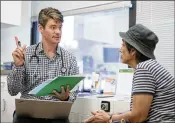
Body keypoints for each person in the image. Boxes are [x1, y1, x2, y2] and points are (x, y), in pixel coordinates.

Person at [85, 24, 175, 123]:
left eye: (123, 45)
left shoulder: (144, 68)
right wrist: (110, 117)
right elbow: (136, 112)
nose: (120, 49)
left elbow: (138, 117)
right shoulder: (149, 67)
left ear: (132, 51)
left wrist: (109, 120)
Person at [7, 7, 79, 123]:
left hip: (56, 116)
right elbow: (12, 90)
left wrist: (66, 97)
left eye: (60, 27)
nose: (58, 32)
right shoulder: (26, 54)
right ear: (41, 28)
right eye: (53, 27)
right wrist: (18, 66)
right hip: (28, 116)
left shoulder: (70, 58)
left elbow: (74, 92)